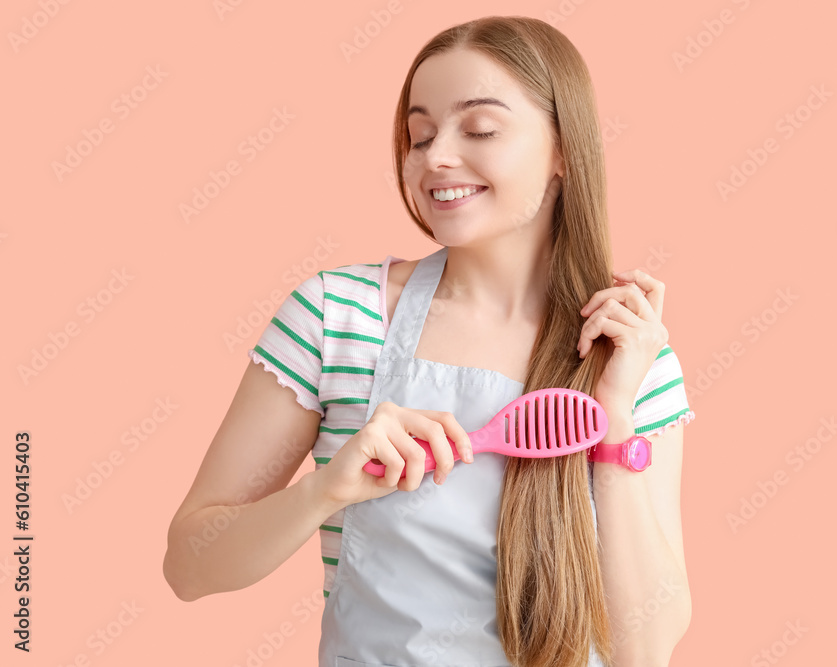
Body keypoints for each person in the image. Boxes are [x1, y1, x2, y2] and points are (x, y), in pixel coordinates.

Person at [163, 15, 695, 667]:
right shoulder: (337, 317)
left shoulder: (632, 354)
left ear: (563, 151)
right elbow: (190, 565)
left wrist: (612, 424)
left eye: (479, 130)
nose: (436, 156)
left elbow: (646, 650)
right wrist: (326, 489)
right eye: (419, 135)